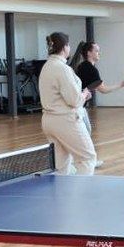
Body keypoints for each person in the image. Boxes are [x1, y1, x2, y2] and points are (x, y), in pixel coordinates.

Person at [38, 32, 96, 175]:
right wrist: (84, 94)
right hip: (65, 121)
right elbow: (74, 100)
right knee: (87, 159)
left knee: (61, 166)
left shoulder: (47, 66)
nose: (69, 47)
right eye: (68, 45)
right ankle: (82, 190)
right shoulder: (62, 69)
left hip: (48, 122)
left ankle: (63, 190)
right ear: (64, 47)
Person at [68, 40, 124, 166]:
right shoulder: (91, 69)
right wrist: (121, 84)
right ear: (89, 53)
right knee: (84, 133)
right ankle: (84, 161)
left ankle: (83, 160)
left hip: (78, 106)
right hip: (76, 108)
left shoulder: (82, 66)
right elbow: (104, 90)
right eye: (96, 51)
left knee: (86, 131)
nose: (99, 53)